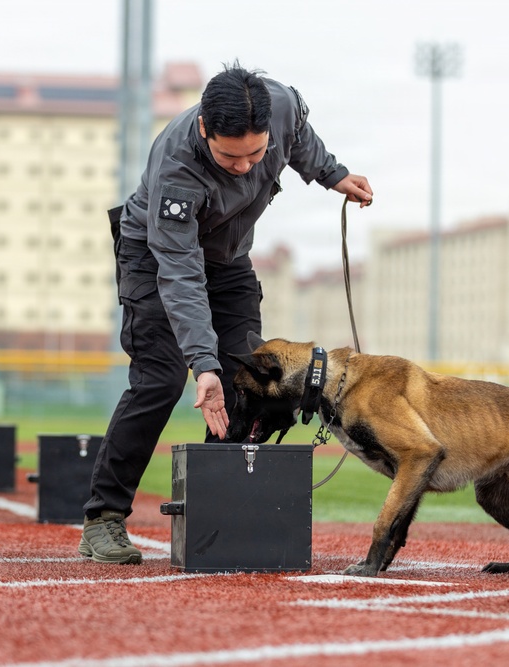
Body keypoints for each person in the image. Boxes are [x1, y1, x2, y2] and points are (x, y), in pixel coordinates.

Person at [79, 63, 373, 564]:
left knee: (252, 376)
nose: (243, 167)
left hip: (229, 256)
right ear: (202, 130)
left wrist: (332, 175)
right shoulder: (176, 168)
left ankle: (220, 513)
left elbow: (299, 137)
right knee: (160, 380)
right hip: (157, 259)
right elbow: (180, 273)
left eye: (255, 155)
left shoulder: (281, 107)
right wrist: (203, 364)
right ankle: (103, 519)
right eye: (229, 157)